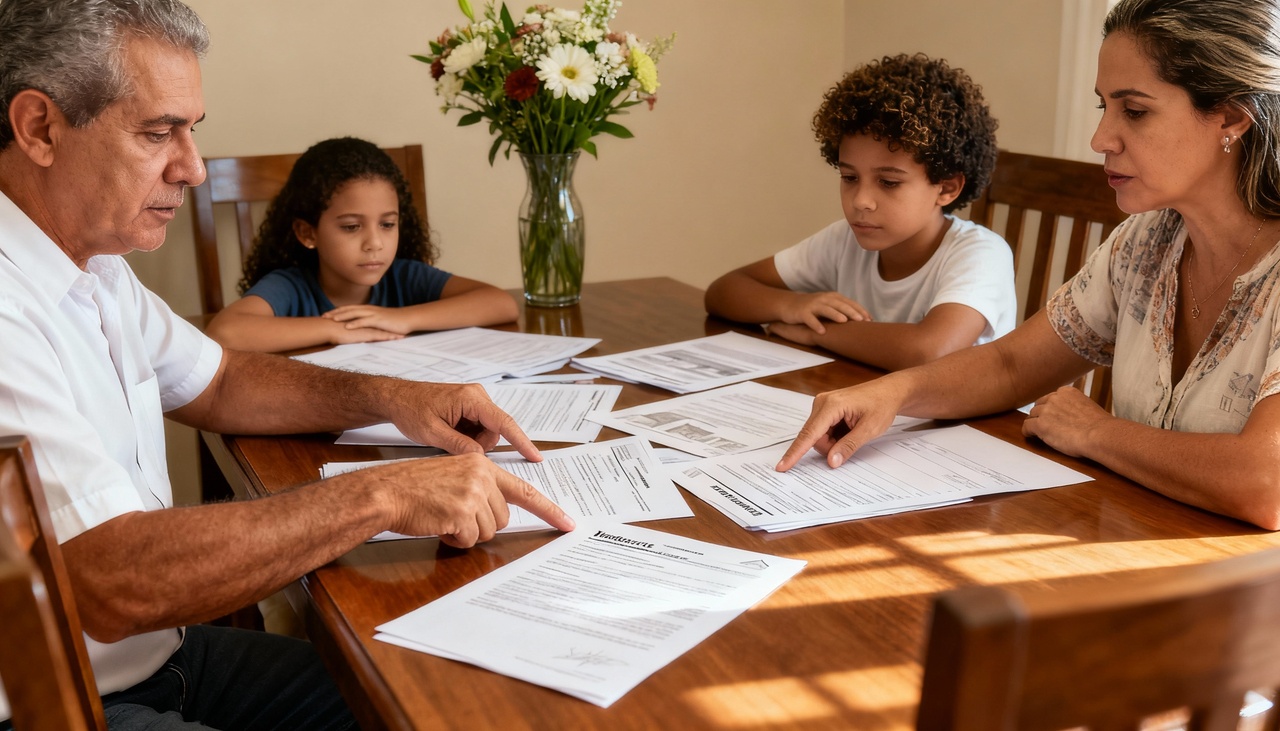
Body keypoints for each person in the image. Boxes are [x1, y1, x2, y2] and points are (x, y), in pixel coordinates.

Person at [0, 0, 574, 728]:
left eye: (191, 131)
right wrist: (383, 496)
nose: (194, 168)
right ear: (40, 128)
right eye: (157, 133)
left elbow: (220, 378)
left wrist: (393, 397)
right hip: (54, 702)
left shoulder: (95, 263)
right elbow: (114, 579)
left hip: (154, 658)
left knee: (425, 695)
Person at [780, 0, 1280, 530]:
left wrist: (1096, 432)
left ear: (1230, 117)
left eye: (1134, 111)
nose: (1100, 140)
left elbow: (1267, 483)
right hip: (1139, 551)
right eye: (1102, 108)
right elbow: (1011, 366)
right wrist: (889, 394)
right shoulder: (1146, 242)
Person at [704, 53, 1015, 371]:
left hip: (972, 421)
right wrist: (793, 305)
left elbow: (930, 352)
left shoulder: (981, 253)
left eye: (889, 182)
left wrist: (819, 333)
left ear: (946, 188)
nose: (861, 201)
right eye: (850, 178)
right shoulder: (844, 240)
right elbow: (723, 292)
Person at [206, 136, 518, 352]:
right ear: (307, 233)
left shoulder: (405, 278)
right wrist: (335, 329)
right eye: (352, 227)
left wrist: (401, 319)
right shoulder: (290, 287)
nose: (375, 243)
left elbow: (501, 304)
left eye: (387, 224)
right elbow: (225, 333)